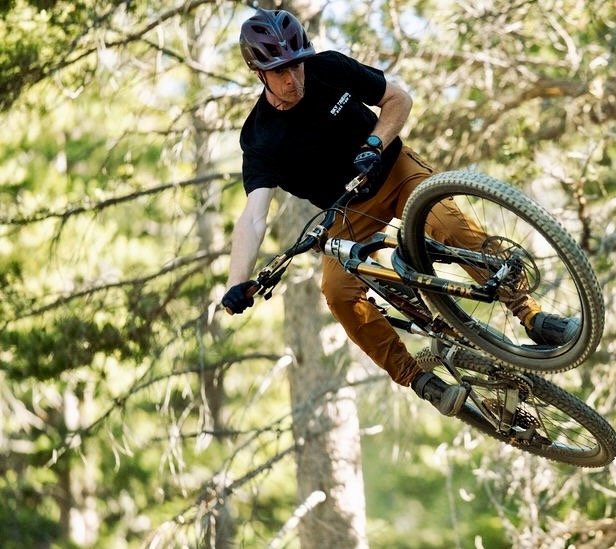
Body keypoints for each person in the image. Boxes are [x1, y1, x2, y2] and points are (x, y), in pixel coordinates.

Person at [220, 8, 579, 416]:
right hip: (346, 210)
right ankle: (420, 379)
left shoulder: (329, 68)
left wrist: (375, 142)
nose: (293, 78)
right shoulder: (260, 136)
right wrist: (238, 281)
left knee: (448, 224)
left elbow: (398, 98)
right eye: (279, 71)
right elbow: (253, 216)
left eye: (296, 65)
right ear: (258, 72)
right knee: (338, 294)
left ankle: (532, 315)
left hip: (394, 169)